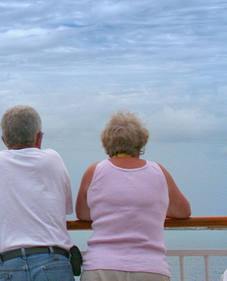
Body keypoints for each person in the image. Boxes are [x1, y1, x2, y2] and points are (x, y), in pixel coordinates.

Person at [0, 105, 75, 281]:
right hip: (52, 262)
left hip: (9, 265)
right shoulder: (53, 160)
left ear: (4, 140)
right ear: (39, 138)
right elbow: (61, 207)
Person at [75, 111, 191, 281]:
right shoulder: (159, 172)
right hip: (150, 269)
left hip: (102, 267)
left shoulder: (95, 171)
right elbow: (183, 211)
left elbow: (83, 214)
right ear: (141, 141)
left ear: (107, 142)